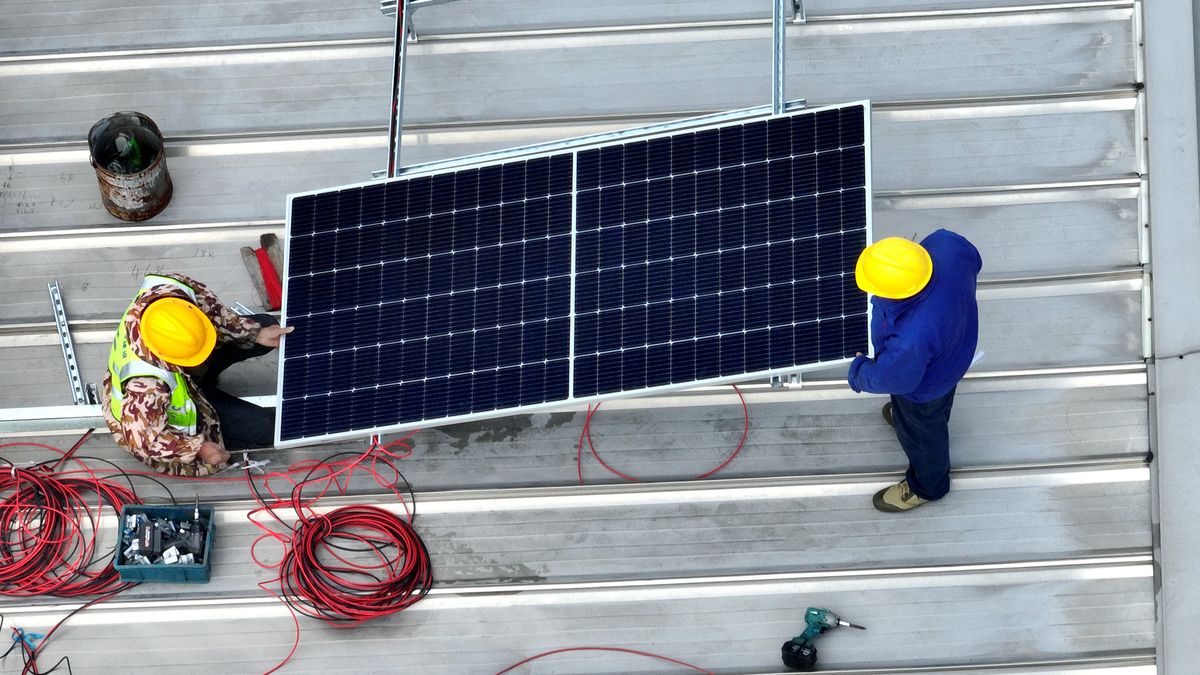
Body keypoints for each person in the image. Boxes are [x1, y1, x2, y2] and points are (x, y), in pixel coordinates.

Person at [102, 273, 292, 476]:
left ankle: (205, 376)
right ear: (167, 358)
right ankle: (218, 428)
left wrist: (253, 332)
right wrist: (197, 448)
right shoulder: (146, 386)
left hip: (183, 377)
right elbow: (143, 441)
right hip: (158, 417)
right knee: (268, 427)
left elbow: (210, 310)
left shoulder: (168, 291)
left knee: (263, 324)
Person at [847, 231, 982, 512]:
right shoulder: (947, 247)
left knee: (922, 431)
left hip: (923, 386)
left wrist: (859, 373)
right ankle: (927, 422)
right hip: (954, 354)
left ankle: (927, 486)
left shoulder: (912, 336)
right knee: (939, 405)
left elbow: (897, 379)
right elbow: (974, 260)